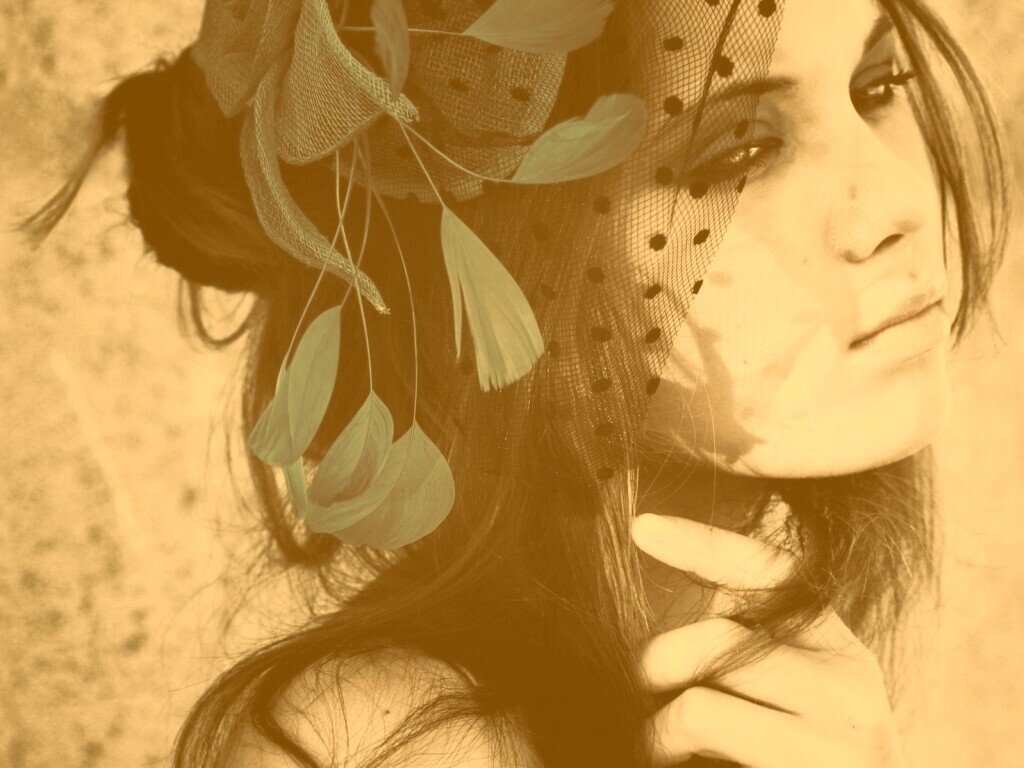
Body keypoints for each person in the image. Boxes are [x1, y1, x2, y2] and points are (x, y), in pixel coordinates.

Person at [17, 0, 1010, 766]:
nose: (897, 203)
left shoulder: (784, 676)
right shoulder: (397, 743)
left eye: (879, 83)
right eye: (738, 149)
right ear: (509, 257)